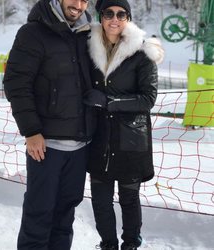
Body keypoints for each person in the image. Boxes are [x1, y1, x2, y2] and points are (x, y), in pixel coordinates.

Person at [3, 0, 95, 249]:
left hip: (79, 145)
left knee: (65, 217)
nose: (78, 4)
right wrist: (31, 131)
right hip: (46, 146)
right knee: (39, 214)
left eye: (84, 0)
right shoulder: (33, 33)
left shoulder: (87, 36)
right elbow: (16, 83)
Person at [83, 0, 164, 249]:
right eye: (108, 13)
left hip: (130, 139)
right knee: (100, 200)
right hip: (100, 137)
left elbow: (147, 99)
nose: (114, 19)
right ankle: (108, 244)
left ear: (127, 18)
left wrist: (110, 101)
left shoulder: (142, 52)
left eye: (120, 14)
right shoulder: (89, 47)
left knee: (129, 199)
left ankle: (130, 244)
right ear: (101, 17)